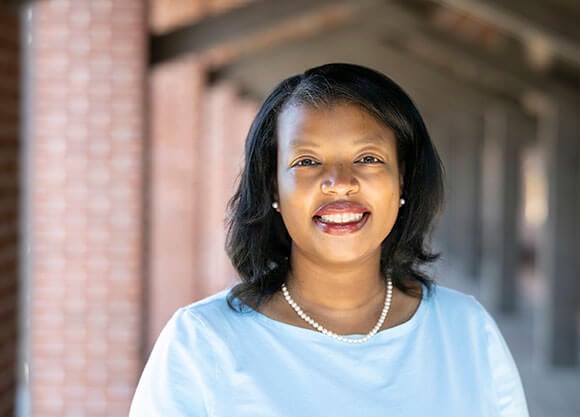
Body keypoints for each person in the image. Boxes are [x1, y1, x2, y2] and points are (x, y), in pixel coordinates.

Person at [129, 63, 529, 416]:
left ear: (402, 177)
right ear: (273, 188)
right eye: (307, 161)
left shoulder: (467, 330)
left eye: (368, 158)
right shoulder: (201, 342)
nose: (340, 183)